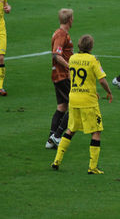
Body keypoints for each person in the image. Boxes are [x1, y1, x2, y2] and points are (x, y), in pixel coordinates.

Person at [51, 34, 113, 174]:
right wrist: (108, 92)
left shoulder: (72, 58)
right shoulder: (93, 60)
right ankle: (92, 167)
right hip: (88, 101)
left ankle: (57, 161)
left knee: (70, 130)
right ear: (91, 46)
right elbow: (102, 80)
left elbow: (71, 76)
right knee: (96, 131)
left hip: (74, 98)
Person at [45, 9, 74, 149]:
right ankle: (56, 136)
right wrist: (70, 67)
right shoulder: (62, 34)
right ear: (70, 20)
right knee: (75, 105)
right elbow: (56, 55)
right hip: (62, 76)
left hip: (58, 74)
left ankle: (50, 140)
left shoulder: (59, 33)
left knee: (62, 106)